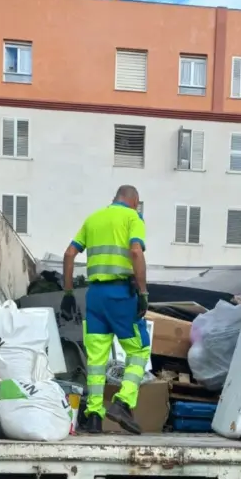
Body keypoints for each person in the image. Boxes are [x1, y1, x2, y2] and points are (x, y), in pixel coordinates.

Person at [61, 186, 149, 435]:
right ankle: (123, 402)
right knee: (139, 349)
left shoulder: (93, 219)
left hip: (95, 297)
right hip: (122, 294)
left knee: (97, 361)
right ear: (134, 202)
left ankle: (95, 416)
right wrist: (143, 293)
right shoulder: (133, 218)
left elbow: (69, 254)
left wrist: (68, 292)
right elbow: (135, 251)